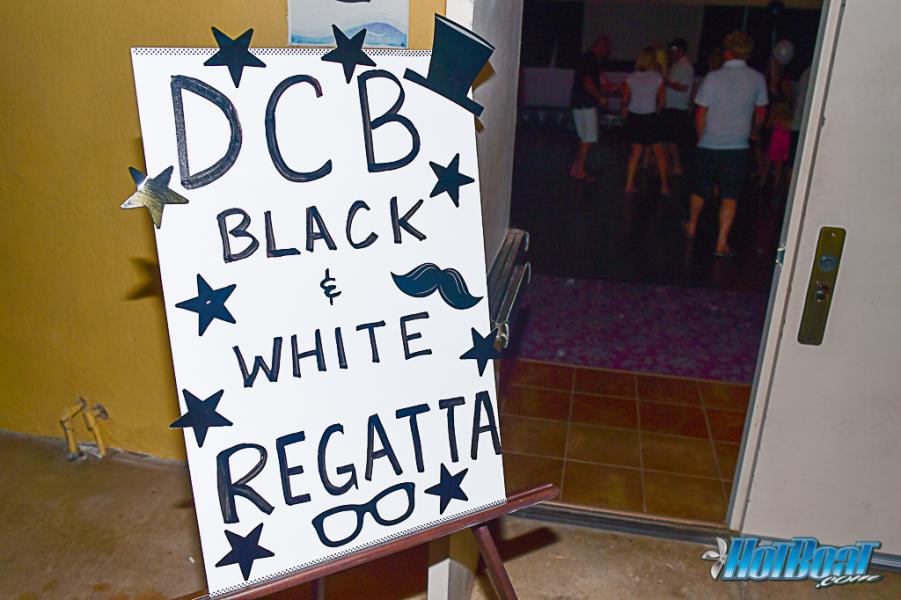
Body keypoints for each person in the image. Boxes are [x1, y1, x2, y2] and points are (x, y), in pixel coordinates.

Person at [683, 31, 768, 257]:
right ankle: (721, 242)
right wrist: (754, 130)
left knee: (701, 188)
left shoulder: (713, 77)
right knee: (730, 194)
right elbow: (761, 111)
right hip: (738, 145)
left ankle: (692, 225)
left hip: (710, 142)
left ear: (727, 51)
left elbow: (701, 112)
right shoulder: (757, 78)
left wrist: (701, 136)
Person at [623, 46, 668, 195]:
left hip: (634, 117)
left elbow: (625, 100)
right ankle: (664, 185)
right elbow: (662, 99)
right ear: (653, 60)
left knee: (636, 153)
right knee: (659, 153)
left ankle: (628, 185)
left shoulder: (631, 77)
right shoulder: (657, 78)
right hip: (649, 117)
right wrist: (657, 111)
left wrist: (625, 116)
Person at [569, 35, 613, 181]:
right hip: (586, 103)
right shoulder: (591, 59)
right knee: (589, 137)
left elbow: (592, 82)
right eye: (606, 48)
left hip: (578, 102)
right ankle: (579, 169)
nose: (607, 52)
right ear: (601, 46)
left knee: (584, 137)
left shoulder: (587, 58)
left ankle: (576, 168)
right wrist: (600, 98)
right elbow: (588, 82)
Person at [662, 38, 695, 176]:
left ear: (680, 50)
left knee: (672, 140)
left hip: (677, 108)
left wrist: (667, 83)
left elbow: (683, 87)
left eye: (673, 49)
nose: (671, 52)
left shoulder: (685, 66)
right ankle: (670, 166)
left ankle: (676, 166)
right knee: (667, 139)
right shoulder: (676, 65)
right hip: (670, 106)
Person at [760, 101, 793, 189]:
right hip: (784, 145)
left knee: (767, 163)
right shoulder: (788, 119)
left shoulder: (775, 119)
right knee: (779, 165)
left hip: (775, 143)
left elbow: (768, 125)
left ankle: (762, 181)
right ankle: (776, 183)